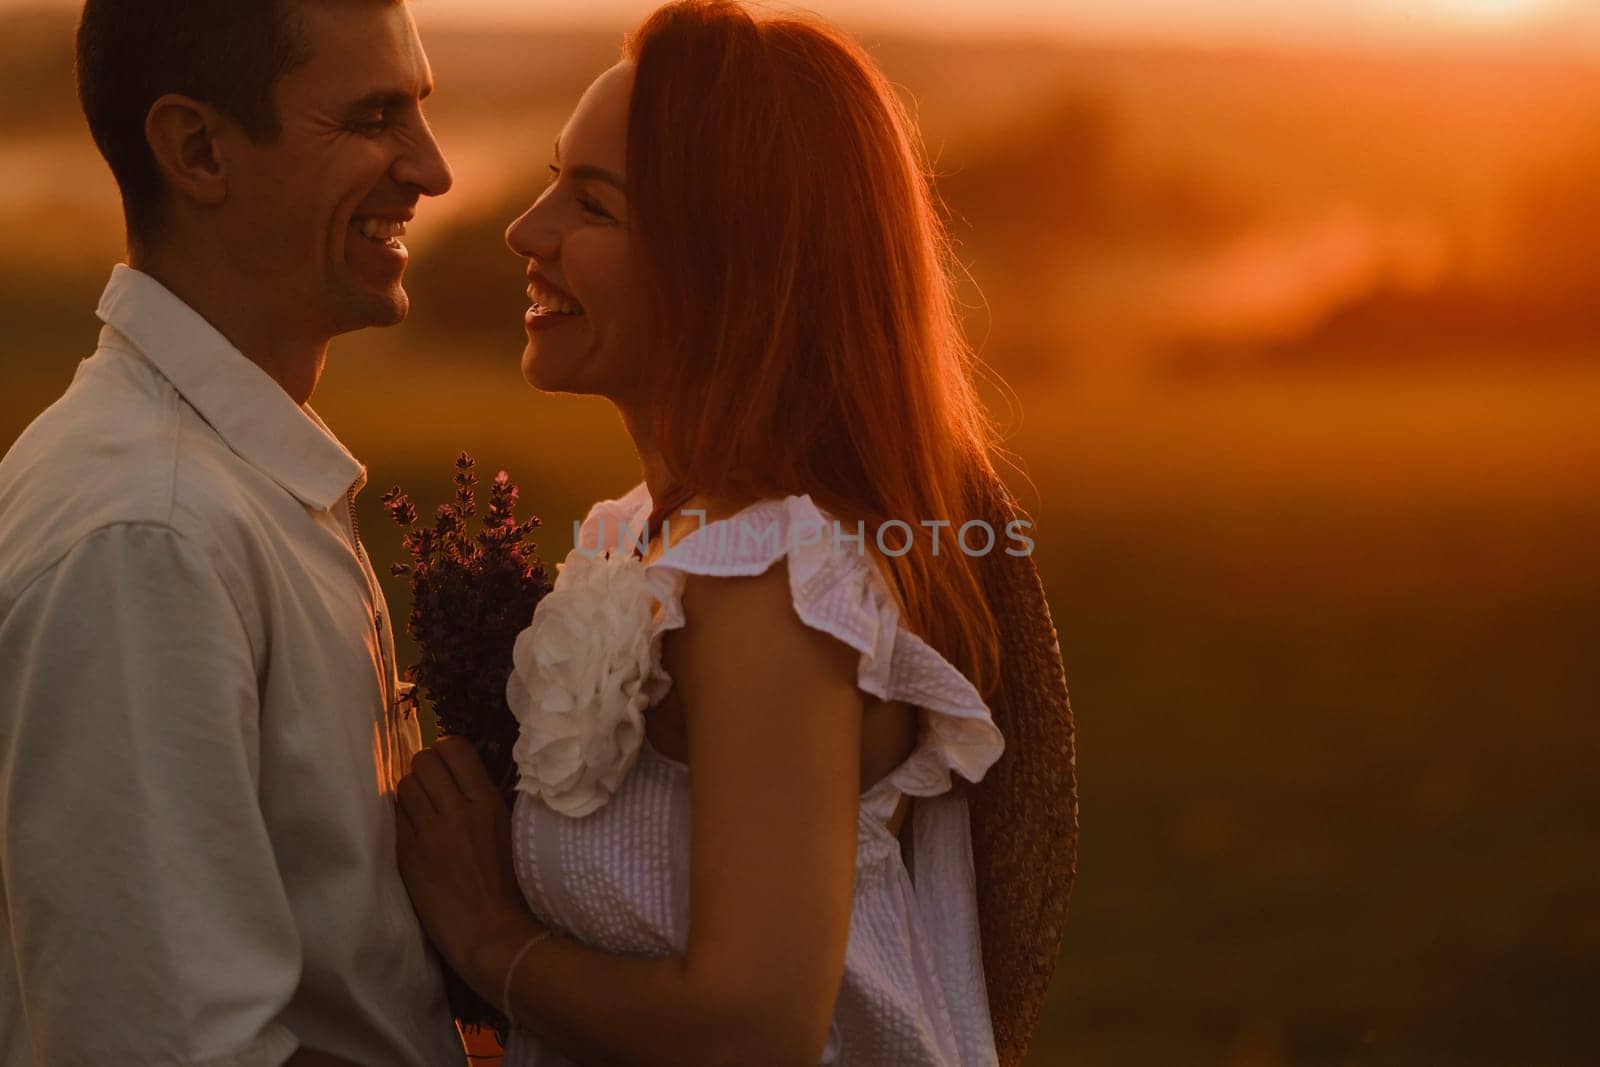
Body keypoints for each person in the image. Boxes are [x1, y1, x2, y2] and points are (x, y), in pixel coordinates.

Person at [394, 1, 1018, 1063]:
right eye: (553, 179)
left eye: (591, 204)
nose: (525, 231)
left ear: (732, 266)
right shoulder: (651, 537)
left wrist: (490, 936)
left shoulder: (764, 582)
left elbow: (753, 1025)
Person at [0, 2, 462, 1064]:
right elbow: (173, 1044)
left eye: (421, 113)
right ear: (199, 149)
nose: (431, 171)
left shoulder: (232, 481)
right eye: (374, 117)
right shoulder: (147, 537)